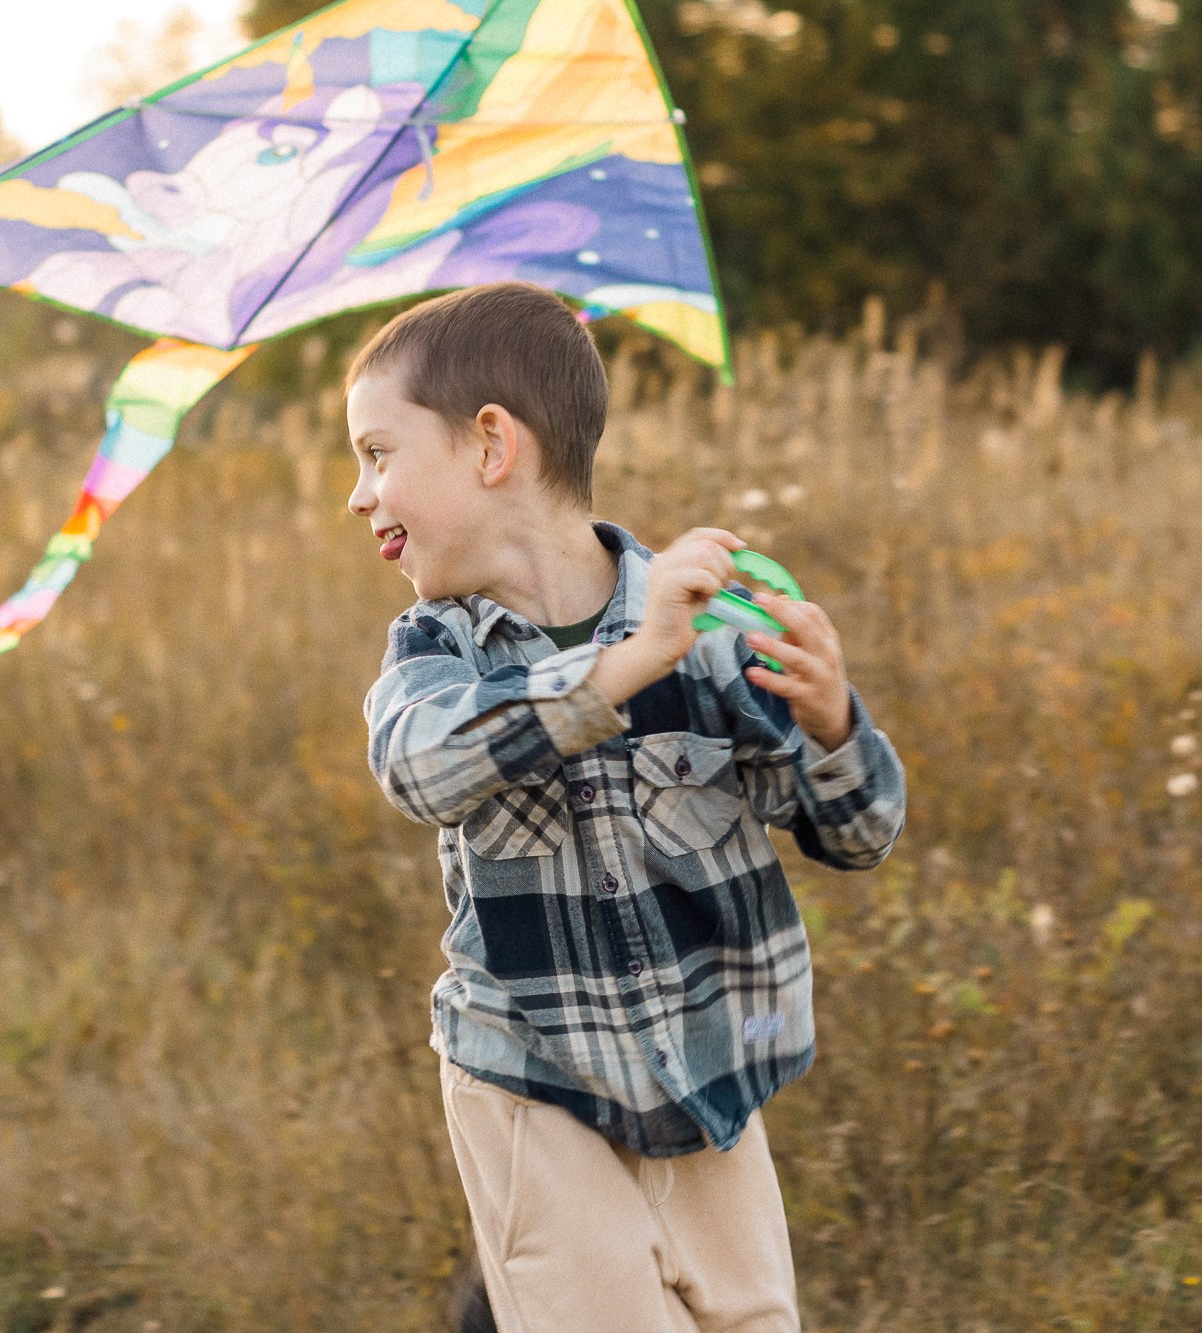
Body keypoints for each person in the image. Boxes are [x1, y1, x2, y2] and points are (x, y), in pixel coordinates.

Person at [347, 282, 907, 1332]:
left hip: (706, 1075)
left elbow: (858, 832)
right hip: (530, 1077)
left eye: (377, 455)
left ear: (488, 445)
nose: (357, 493)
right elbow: (416, 766)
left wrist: (833, 724)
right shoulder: (433, 652)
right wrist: (615, 671)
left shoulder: (706, 628)